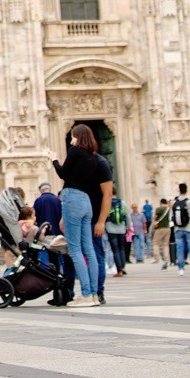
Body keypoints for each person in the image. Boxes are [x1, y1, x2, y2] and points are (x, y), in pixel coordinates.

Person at [53, 124, 113, 306]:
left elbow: (63, 173)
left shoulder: (75, 150)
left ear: (77, 137)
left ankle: (85, 294)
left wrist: (54, 159)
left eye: (72, 136)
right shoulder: (94, 158)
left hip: (73, 198)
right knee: (89, 250)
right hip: (87, 203)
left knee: (75, 249)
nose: (71, 140)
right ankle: (94, 294)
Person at [170, 183, 190, 273]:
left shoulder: (174, 203)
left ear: (179, 190)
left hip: (178, 229)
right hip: (189, 228)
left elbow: (172, 216)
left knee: (180, 249)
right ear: (186, 190)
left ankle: (181, 268)